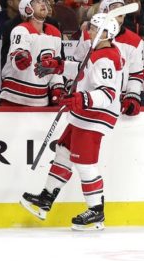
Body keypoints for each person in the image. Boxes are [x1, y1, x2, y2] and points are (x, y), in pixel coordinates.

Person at [21, 13, 124, 231]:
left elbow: (107, 94)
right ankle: (46, 199)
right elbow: (81, 69)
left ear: (107, 33)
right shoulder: (95, 50)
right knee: (63, 150)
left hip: (95, 116)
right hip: (84, 114)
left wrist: (81, 98)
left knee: (85, 163)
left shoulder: (107, 57)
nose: (90, 31)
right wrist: (58, 66)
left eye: (95, 29)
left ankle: (96, 212)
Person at [0, 0, 64, 107]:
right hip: (14, 97)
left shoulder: (55, 33)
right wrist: (20, 57)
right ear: (27, 9)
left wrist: (57, 86)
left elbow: (57, 65)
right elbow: (18, 53)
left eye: (43, 1)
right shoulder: (20, 30)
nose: (42, 4)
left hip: (40, 100)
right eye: (36, 2)